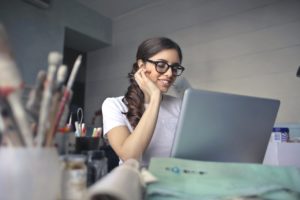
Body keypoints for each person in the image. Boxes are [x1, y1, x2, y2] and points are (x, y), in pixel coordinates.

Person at [101, 37, 185, 167]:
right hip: (135, 184)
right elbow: (130, 157)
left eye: (175, 68)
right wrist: (155, 97)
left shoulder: (181, 105)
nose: (169, 74)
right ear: (141, 66)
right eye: (161, 65)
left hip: (174, 182)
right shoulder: (113, 105)